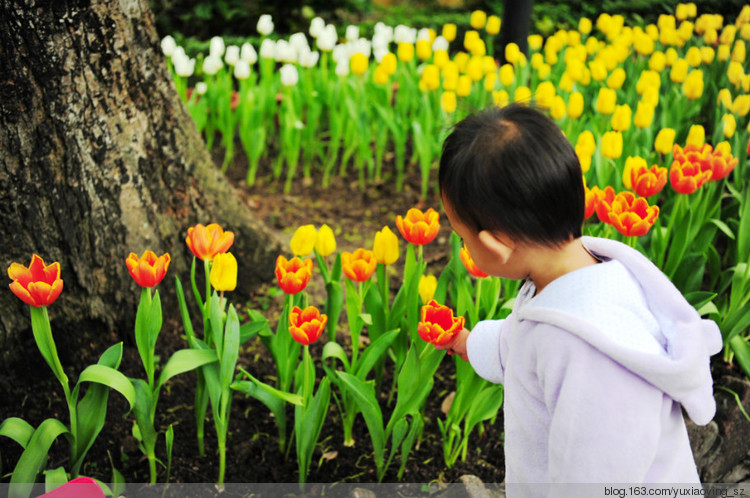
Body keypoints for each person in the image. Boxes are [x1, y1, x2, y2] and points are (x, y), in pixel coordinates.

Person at [437, 103, 722, 495]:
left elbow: (595, 475)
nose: (462, 246)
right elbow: (522, 340)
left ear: (495, 245)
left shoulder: (590, 354)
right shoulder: (578, 277)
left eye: (461, 236)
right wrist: (470, 342)